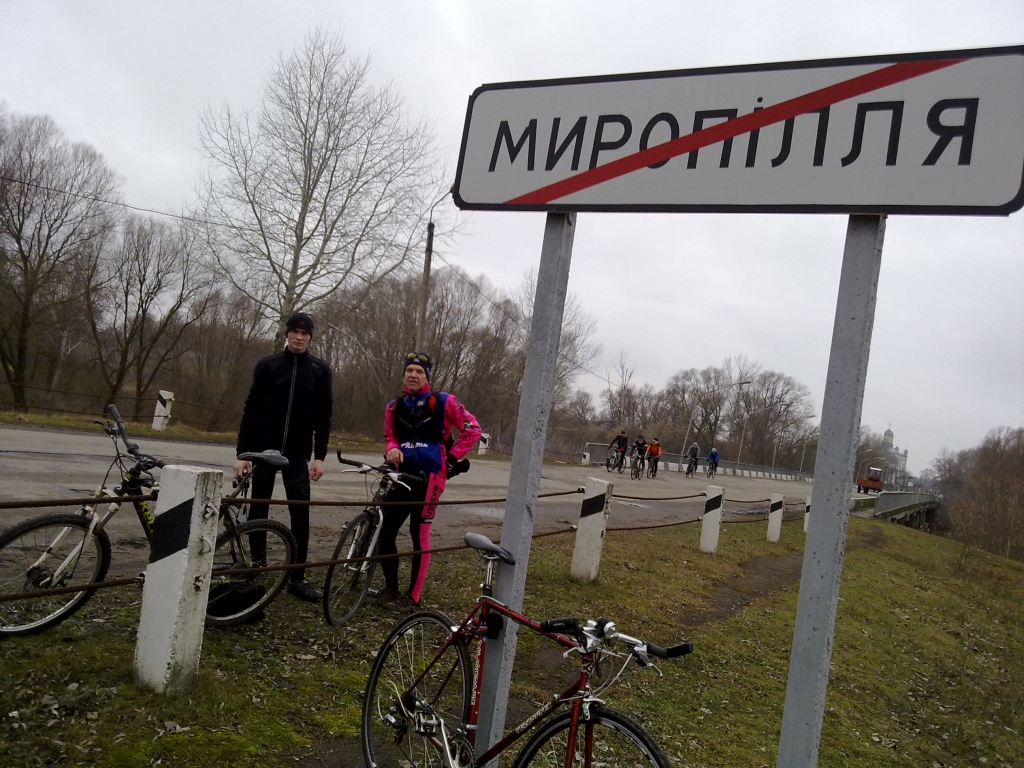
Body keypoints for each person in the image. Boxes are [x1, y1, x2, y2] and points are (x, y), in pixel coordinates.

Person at [234, 312, 333, 602]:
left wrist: (319, 456)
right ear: (287, 333)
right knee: (258, 510)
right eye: (295, 332)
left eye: (305, 333)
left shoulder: (319, 370)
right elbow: (251, 409)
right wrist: (243, 453)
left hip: (298, 453)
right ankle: (258, 570)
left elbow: (324, 416)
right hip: (264, 450)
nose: (299, 337)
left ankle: (297, 576)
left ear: (310, 337)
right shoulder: (268, 365)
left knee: (300, 513)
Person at [379, 352, 481, 612]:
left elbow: (473, 428)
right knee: (386, 531)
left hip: (431, 477)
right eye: (409, 370)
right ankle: (391, 589)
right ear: (404, 375)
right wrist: (392, 448)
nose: (413, 375)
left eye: (419, 372)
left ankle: (413, 597)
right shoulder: (394, 406)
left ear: (427, 377)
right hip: (402, 476)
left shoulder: (444, 401)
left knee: (419, 535)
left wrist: (452, 459)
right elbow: (390, 437)